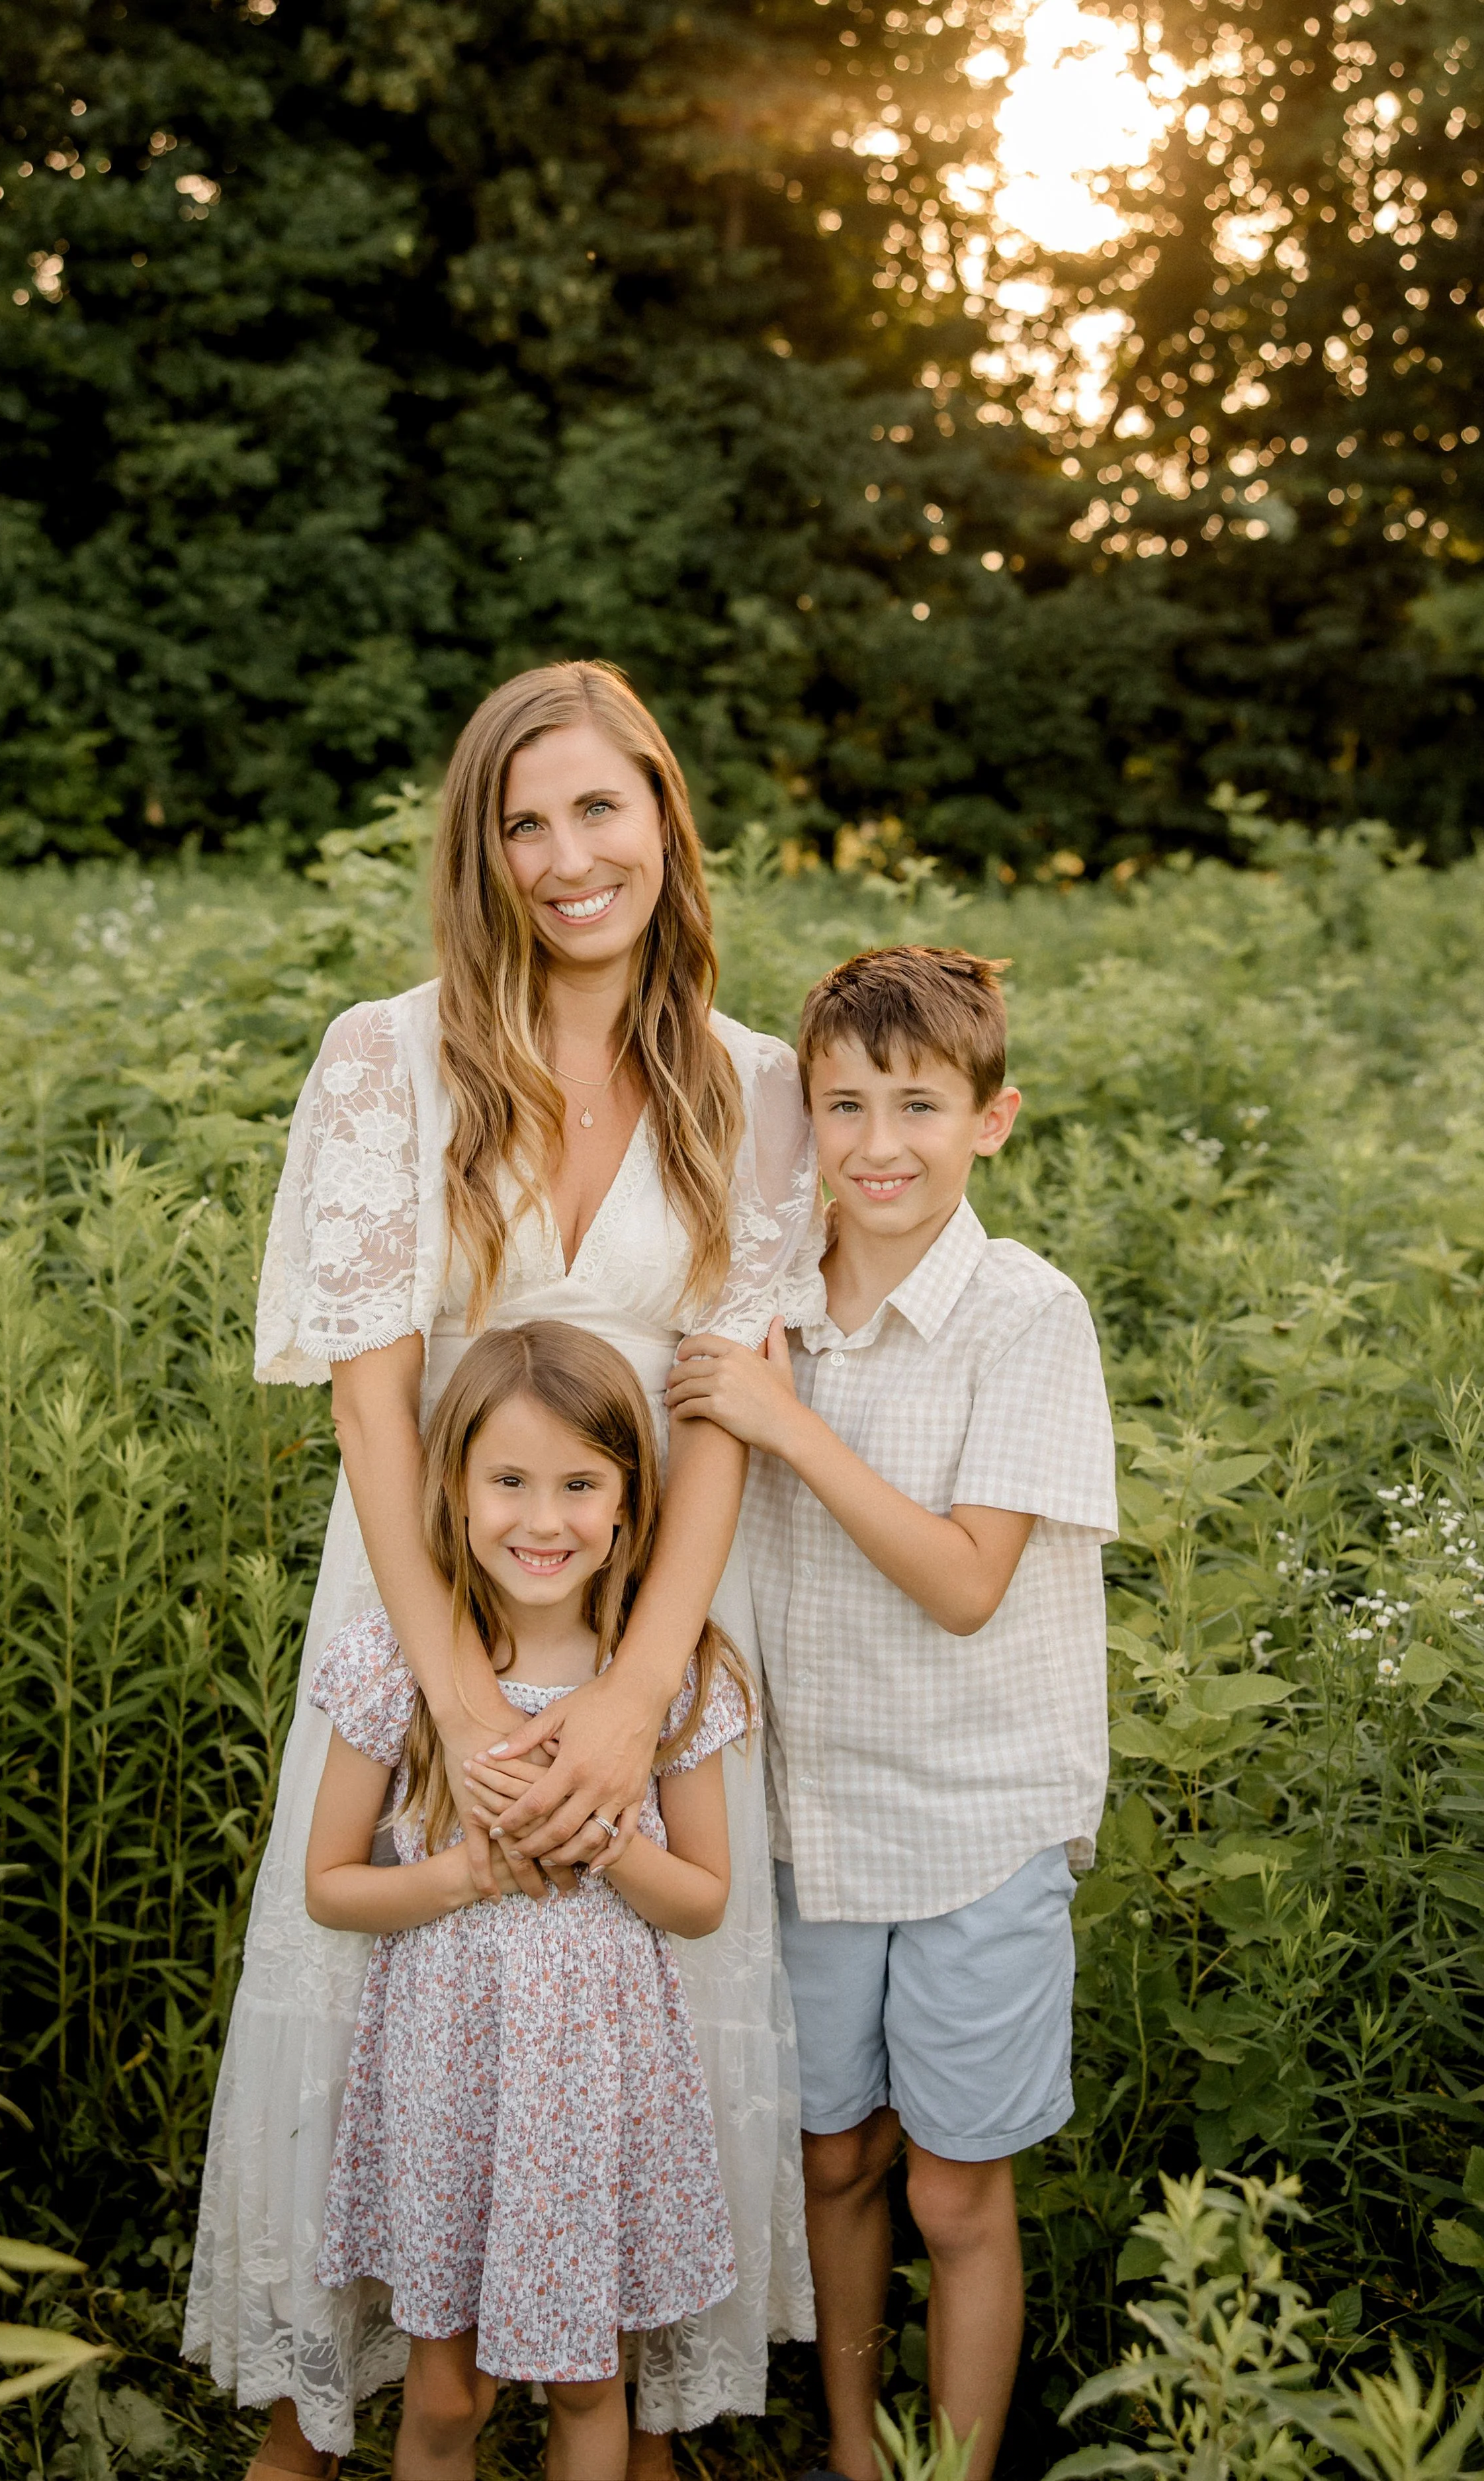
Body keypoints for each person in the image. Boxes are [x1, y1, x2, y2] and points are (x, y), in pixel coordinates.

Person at [183, 662, 816, 2472]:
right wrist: (456, 1695)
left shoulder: (753, 1085)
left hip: (651, 1594)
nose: (562, 856)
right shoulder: (386, 1056)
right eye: (519, 824)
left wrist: (634, 1696)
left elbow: (725, 1411)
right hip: (421, 1589)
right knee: (388, 1971)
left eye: (596, 807)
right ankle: (334, 2411)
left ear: (662, 815)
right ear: (480, 853)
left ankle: (607, 2393)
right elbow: (372, 1404)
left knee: (626, 1985)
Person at [665, 945, 1116, 2481]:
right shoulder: (759, 1305)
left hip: (976, 1819)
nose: (877, 1143)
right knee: (835, 2157)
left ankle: (955, 2470)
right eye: (843, 1104)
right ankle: (854, 2455)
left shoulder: (1022, 1313)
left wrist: (786, 1427)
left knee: (951, 2187)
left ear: (990, 1119)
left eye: (918, 1105)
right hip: (804, 1815)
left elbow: (966, 1583)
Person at [305, 1323, 751, 2481]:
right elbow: (329, 1886)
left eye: (579, 1485)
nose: (543, 1520)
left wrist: (609, 1842)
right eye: (508, 1481)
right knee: (444, 2391)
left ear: (630, 1500)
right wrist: (462, 1873)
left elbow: (704, 1899)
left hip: (595, 2086)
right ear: (453, 1491)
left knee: (589, 2378)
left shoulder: (669, 1676)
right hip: (448, 2078)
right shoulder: (398, 1667)